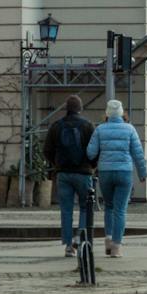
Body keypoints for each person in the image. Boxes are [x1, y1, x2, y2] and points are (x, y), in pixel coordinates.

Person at [85, 99, 147, 258]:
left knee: (109, 206)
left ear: (107, 114)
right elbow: (138, 154)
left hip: (105, 172)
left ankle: (108, 239)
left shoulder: (100, 130)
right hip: (124, 172)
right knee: (120, 210)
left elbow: (91, 152)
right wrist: (142, 173)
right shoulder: (130, 129)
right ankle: (116, 247)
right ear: (122, 113)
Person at [44, 94, 95, 257]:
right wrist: (92, 166)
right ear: (80, 108)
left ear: (66, 108)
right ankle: (80, 240)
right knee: (85, 208)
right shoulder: (88, 126)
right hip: (83, 172)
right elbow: (94, 150)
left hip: (63, 173)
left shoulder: (56, 126)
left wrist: (56, 164)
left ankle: (67, 246)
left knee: (66, 210)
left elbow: (47, 150)